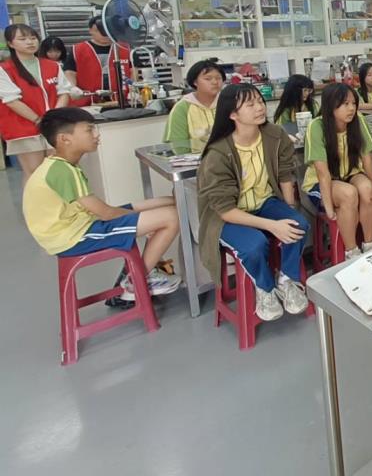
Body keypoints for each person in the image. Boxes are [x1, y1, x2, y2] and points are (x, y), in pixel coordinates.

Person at [25, 107, 181, 299]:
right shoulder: (62, 171)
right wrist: (145, 221)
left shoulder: (60, 165)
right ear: (65, 139)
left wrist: (149, 217)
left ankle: (142, 272)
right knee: (172, 216)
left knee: (165, 204)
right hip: (73, 237)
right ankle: (135, 282)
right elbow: (107, 213)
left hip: (79, 223)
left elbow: (101, 210)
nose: (96, 135)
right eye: (89, 130)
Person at [197, 84, 310, 322]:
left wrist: (289, 209)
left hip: (265, 202)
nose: (259, 108)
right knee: (255, 245)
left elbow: (285, 174)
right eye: (250, 104)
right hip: (227, 216)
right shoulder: (218, 153)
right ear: (232, 114)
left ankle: (287, 280)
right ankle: (265, 288)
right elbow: (225, 210)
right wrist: (272, 226)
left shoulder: (274, 135)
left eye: (260, 101)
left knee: (298, 224)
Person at [302, 83, 372, 260]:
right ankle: (352, 252)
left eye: (354, 103)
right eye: (345, 104)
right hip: (319, 183)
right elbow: (322, 173)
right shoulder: (316, 126)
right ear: (331, 105)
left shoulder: (358, 121)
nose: (351, 108)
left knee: (367, 190)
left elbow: (367, 158)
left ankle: (370, 246)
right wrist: (329, 208)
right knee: (349, 194)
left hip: (350, 173)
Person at [0, 24, 73, 182]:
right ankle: (33, 200)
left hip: (52, 126)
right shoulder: (4, 69)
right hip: (23, 128)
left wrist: (52, 117)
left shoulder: (52, 66)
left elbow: (63, 92)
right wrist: (38, 120)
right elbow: (11, 101)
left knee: (56, 169)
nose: (29, 42)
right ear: (11, 44)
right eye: (22, 39)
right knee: (34, 172)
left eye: (33, 38)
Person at [164, 59, 225, 153]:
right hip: (194, 159)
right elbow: (178, 144)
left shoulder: (228, 102)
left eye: (218, 78)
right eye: (208, 79)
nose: (215, 82)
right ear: (195, 82)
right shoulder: (183, 107)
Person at [69, 16, 132, 107]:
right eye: (99, 31)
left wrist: (134, 90)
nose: (103, 34)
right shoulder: (78, 50)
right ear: (90, 30)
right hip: (88, 102)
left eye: (106, 30)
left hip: (121, 100)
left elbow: (133, 70)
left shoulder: (124, 48)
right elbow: (70, 72)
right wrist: (72, 87)